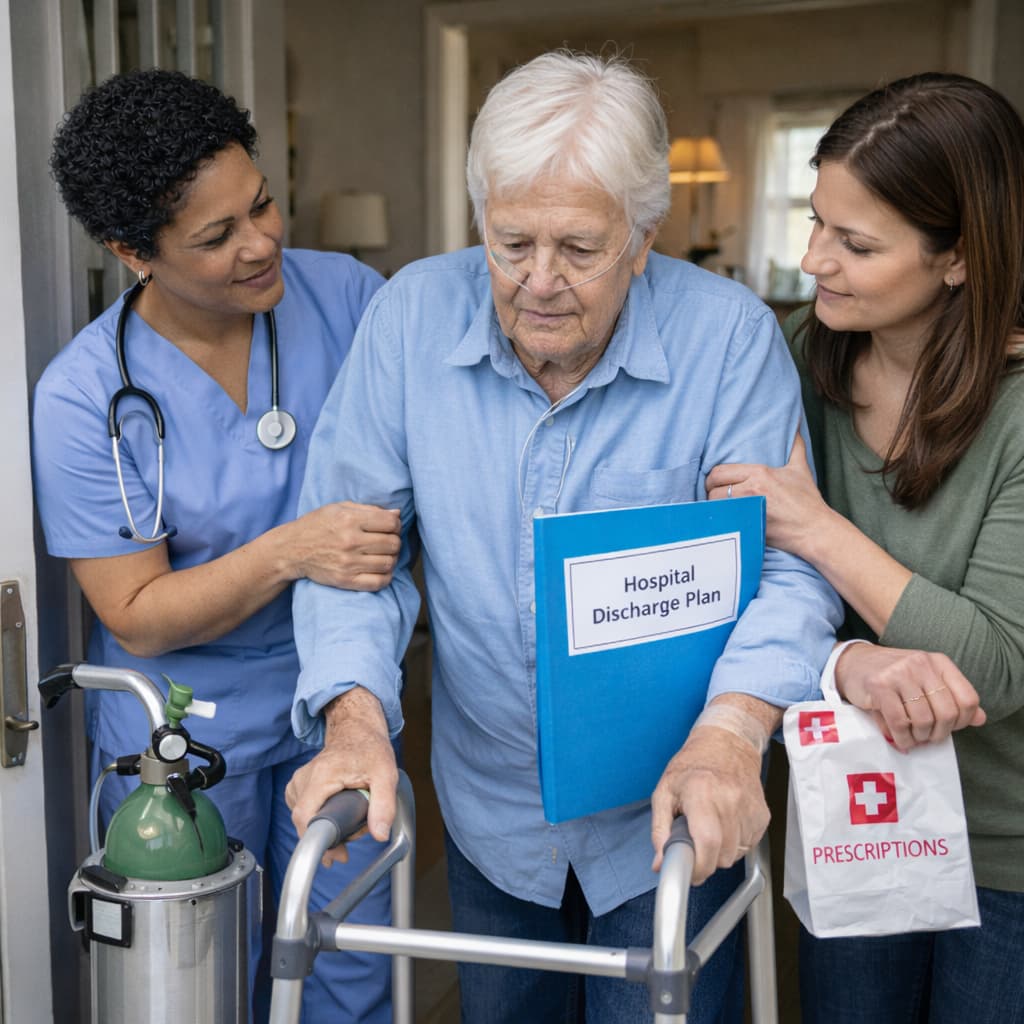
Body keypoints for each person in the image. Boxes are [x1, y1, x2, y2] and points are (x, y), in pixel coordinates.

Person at [285, 50, 842, 1023]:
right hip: (491, 809)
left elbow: (791, 569)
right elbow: (350, 559)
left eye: (579, 250)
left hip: (671, 809)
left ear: (643, 236)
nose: (539, 282)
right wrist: (355, 718)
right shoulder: (409, 318)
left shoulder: (731, 339)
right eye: (510, 244)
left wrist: (731, 733)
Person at [32, 68, 399, 1023]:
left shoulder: (351, 300)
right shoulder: (84, 400)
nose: (263, 242)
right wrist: (293, 550)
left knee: (348, 971)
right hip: (188, 735)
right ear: (131, 252)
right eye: (217, 236)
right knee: (194, 989)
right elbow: (138, 616)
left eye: (263, 205)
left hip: (339, 703)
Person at [706, 72, 1024, 1022]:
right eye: (815, 224)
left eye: (856, 244)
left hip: (1005, 844)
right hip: (851, 805)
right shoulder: (791, 361)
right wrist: (845, 658)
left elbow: (991, 667)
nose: (813, 260)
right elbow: (744, 590)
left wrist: (815, 526)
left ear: (958, 259)